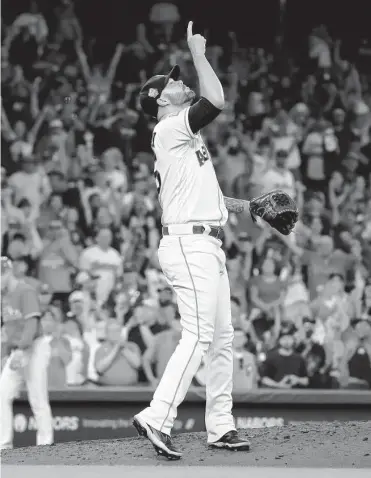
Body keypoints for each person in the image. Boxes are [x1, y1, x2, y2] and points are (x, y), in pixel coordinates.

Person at [132, 21, 291, 459]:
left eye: (183, 75)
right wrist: (199, 53)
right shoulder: (169, 129)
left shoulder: (184, 138)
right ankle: (157, 416)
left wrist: (251, 207)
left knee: (222, 338)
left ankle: (220, 426)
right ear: (162, 99)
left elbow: (214, 198)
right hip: (188, 244)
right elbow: (217, 100)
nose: (182, 82)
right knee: (199, 334)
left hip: (205, 242)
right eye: (175, 81)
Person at [0, 257, 53, 449]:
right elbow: (7, 329)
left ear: (6, 273)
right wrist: (7, 352)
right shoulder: (3, 295)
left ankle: (45, 445)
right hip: (18, 349)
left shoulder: (25, 290)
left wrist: (22, 351)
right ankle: (3, 445)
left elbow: (32, 324)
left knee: (37, 397)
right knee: (2, 394)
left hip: (35, 347)